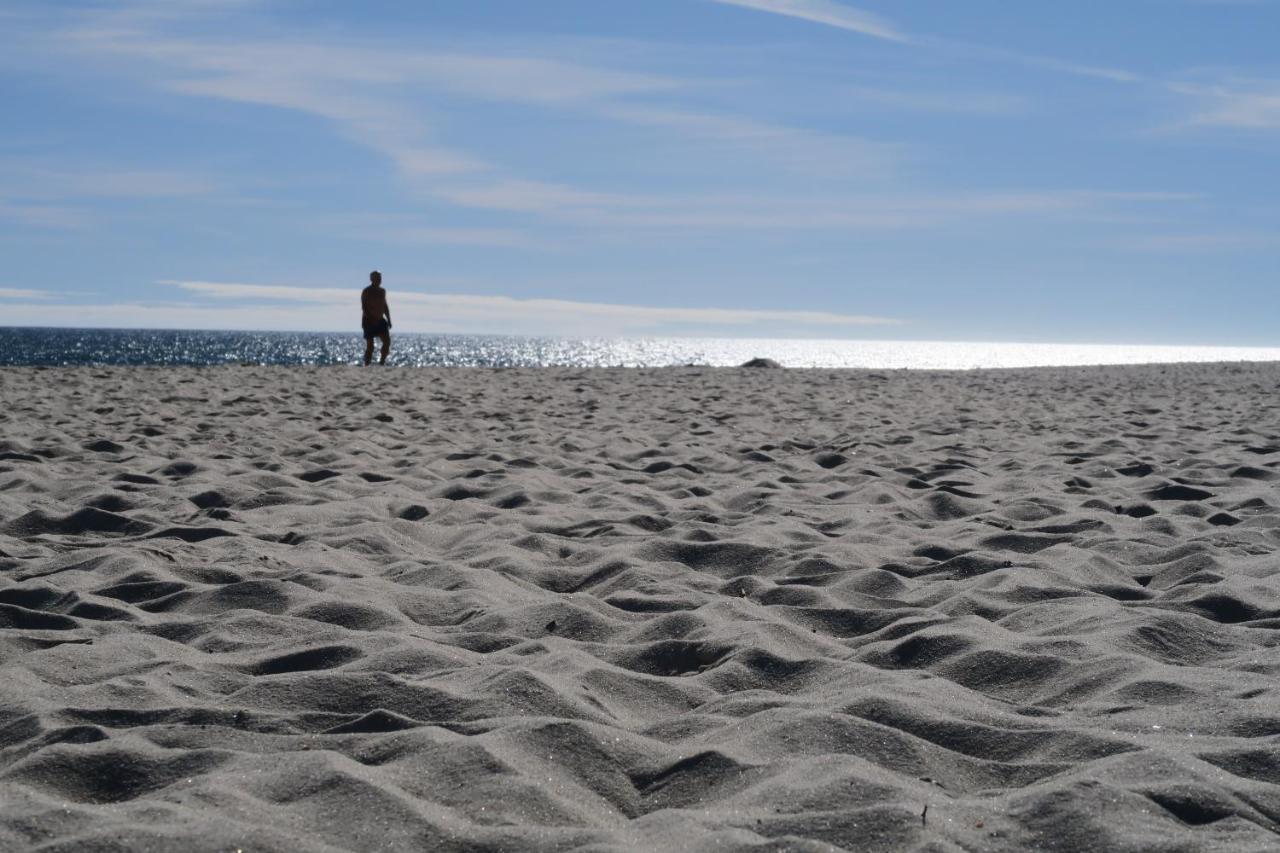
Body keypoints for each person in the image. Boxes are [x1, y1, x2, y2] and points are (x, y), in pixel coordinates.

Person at [361, 270, 391, 366]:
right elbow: (364, 307)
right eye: (376, 278)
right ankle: (366, 364)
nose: (379, 280)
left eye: (380, 278)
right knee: (370, 346)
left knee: (387, 342)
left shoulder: (382, 291)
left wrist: (389, 319)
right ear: (371, 279)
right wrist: (371, 318)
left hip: (380, 320)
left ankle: (382, 362)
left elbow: (384, 306)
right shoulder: (366, 291)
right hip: (368, 321)